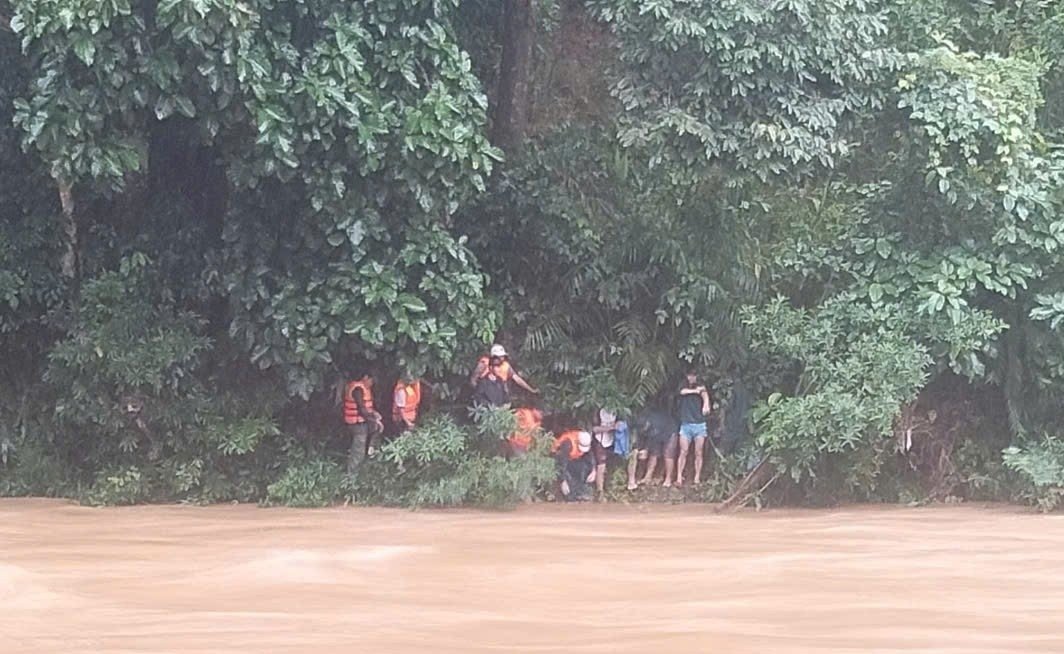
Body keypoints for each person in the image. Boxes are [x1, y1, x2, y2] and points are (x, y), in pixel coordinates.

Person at [674, 369, 711, 487]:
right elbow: (682, 392)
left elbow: (705, 394)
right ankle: (679, 477)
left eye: (694, 375)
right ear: (687, 376)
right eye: (690, 375)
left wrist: (706, 404)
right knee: (683, 451)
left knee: (698, 452)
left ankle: (697, 478)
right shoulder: (683, 385)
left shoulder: (701, 386)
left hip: (699, 424)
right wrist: (695, 391)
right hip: (686, 424)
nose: (692, 378)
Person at [342, 373, 383, 474]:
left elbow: (367, 409)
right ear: (365, 378)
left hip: (362, 423)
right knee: (358, 451)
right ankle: (351, 476)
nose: (372, 384)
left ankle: (369, 464)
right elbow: (362, 410)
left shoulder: (363, 388)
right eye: (371, 381)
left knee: (376, 433)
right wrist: (374, 420)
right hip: (356, 424)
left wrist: (374, 414)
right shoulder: (358, 389)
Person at [628, 408, 679, 489]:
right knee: (653, 454)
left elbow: (651, 440)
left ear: (647, 424)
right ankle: (647, 477)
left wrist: (646, 450)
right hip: (656, 434)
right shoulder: (640, 424)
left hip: (670, 430)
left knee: (668, 455)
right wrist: (641, 449)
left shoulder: (655, 424)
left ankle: (668, 478)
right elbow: (645, 440)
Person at [470, 344, 539, 395]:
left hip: (501, 396)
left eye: (502, 356)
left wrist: (531, 389)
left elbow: (517, 379)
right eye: (499, 357)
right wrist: (480, 394)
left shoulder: (506, 366)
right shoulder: (484, 364)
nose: (502, 359)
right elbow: (473, 380)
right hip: (485, 398)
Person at [551, 429, 593, 501]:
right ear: (577, 441)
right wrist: (563, 481)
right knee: (568, 475)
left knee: (583, 467)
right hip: (559, 460)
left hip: (572, 460)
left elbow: (590, 457)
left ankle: (580, 492)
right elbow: (561, 463)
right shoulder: (568, 444)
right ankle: (568, 495)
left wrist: (593, 470)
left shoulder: (586, 441)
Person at [590, 409, 621, 501]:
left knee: (611, 465)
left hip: (612, 441)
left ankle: (610, 488)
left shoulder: (617, 410)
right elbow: (594, 429)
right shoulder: (598, 411)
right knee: (601, 466)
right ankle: (600, 491)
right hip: (600, 441)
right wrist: (610, 428)